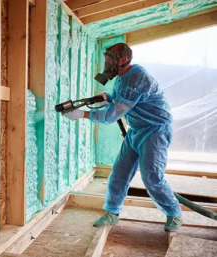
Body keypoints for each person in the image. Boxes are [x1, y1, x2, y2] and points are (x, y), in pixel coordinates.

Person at [63, 43, 183, 232]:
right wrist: (108, 97)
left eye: (110, 59)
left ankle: (174, 213)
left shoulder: (136, 77)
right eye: (107, 58)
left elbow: (112, 115)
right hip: (136, 130)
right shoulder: (121, 76)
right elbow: (120, 98)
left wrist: (82, 114)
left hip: (155, 131)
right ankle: (112, 212)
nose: (107, 62)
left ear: (123, 60)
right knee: (119, 173)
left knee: (151, 177)